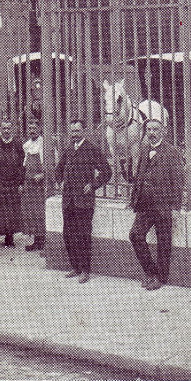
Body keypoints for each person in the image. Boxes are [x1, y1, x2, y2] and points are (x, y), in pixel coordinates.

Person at [128, 118, 185, 291]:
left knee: (163, 242)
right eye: (149, 129)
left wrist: (176, 207)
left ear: (163, 131)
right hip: (145, 205)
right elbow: (138, 176)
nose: (152, 133)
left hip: (163, 205)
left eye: (155, 129)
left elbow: (178, 181)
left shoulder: (172, 152)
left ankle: (161, 278)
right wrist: (134, 199)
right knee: (135, 235)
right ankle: (151, 272)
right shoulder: (144, 150)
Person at [55, 119, 112, 283]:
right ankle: (75, 267)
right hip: (68, 200)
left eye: (77, 131)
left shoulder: (91, 149)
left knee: (83, 235)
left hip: (84, 202)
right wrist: (60, 182)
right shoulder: (68, 149)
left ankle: (85, 270)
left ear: (84, 131)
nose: (74, 134)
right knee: (68, 235)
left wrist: (93, 185)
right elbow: (58, 169)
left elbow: (106, 172)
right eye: (72, 131)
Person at [0, 119, 24, 247]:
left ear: (12, 129)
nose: (7, 131)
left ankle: (9, 237)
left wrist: (20, 183)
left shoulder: (18, 145)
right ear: (1, 129)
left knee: (11, 211)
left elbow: (21, 166)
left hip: (13, 183)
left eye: (9, 128)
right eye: (4, 128)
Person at [21, 120, 46, 252]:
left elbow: (52, 163)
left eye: (35, 128)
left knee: (40, 211)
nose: (32, 131)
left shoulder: (44, 144)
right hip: (29, 184)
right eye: (30, 128)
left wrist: (43, 174)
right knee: (31, 212)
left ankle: (43, 240)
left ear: (40, 128)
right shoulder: (27, 145)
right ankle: (36, 240)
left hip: (41, 184)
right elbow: (24, 166)